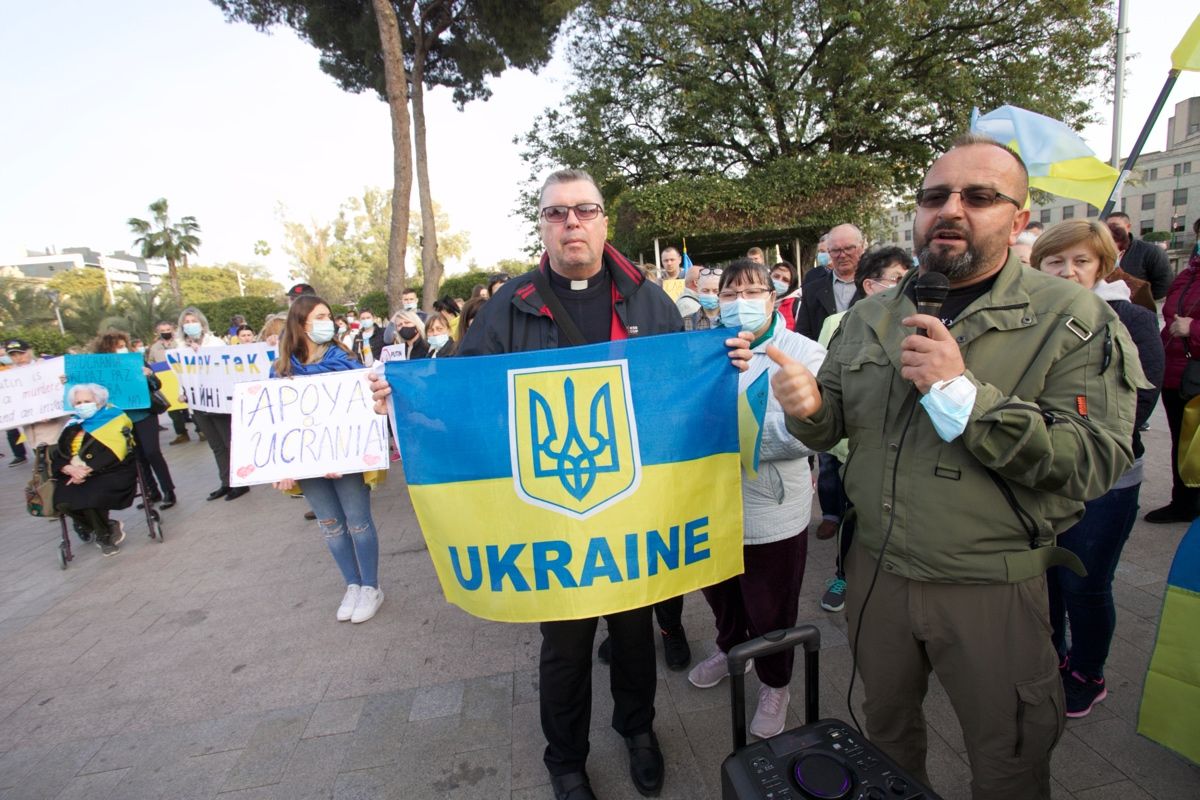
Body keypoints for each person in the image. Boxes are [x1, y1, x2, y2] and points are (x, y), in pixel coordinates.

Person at [770, 134, 1139, 799]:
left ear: (1020, 219)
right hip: (878, 576)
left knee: (1009, 761)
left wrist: (962, 395)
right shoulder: (873, 315)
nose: (952, 210)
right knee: (885, 739)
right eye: (935, 196)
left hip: (989, 587)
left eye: (980, 196)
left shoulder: (1071, 319)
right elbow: (837, 425)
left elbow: (1094, 461)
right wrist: (806, 409)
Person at [369, 168, 752, 800]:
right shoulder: (508, 306)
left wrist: (722, 365)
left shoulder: (650, 301)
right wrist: (402, 398)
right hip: (549, 515)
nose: (571, 222)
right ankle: (565, 760)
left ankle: (639, 732)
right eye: (556, 213)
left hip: (632, 509)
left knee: (634, 637)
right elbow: (463, 394)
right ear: (542, 225)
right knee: (565, 646)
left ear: (604, 221)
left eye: (584, 210)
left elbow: (676, 393)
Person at [687, 258, 825, 739]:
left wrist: (737, 437)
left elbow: (815, 434)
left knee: (771, 603)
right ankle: (731, 650)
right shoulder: (701, 351)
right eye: (729, 294)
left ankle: (775, 683)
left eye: (752, 292)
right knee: (721, 594)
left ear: (774, 297)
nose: (740, 303)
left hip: (772, 507)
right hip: (709, 504)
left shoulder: (803, 353)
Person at [1032, 220, 1163, 717]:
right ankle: (1050, 658)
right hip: (1040, 477)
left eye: (1081, 261)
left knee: (1084, 584)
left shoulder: (1129, 318)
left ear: (1102, 265)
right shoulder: (1029, 316)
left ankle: (1088, 672)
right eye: (1055, 261)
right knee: (1044, 578)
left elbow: (1140, 402)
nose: (1068, 271)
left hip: (1104, 482)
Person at [270, 295, 385, 623]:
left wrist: (341, 453)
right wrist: (282, 466)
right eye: (319, 316)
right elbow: (275, 422)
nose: (327, 322)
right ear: (301, 322)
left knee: (358, 523)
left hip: (343, 461)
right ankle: (352, 584)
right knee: (331, 527)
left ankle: (371, 587)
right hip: (307, 464)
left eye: (328, 316)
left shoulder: (343, 360)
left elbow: (363, 410)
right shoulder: (280, 369)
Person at [814, 246, 911, 614]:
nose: (907, 287)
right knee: (853, 516)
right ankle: (842, 575)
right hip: (851, 448)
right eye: (897, 280)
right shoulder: (839, 322)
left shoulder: (925, 323)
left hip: (903, 450)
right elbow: (827, 386)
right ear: (870, 286)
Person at [1145, 245, 1200, 523]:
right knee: (1183, 442)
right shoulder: (1188, 273)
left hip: (1194, 369)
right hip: (1177, 372)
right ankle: (1185, 502)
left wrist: (1194, 328)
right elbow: (1169, 311)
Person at [92, 330, 177, 510]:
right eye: (118, 347)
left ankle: (168, 490)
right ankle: (152, 491)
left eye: (124, 346)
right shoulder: (101, 370)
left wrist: (149, 375)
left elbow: (156, 385)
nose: (122, 350)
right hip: (121, 419)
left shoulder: (136, 361)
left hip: (144, 414)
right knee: (137, 456)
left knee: (152, 452)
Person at [52, 383, 137, 557]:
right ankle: (108, 526)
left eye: (86, 401)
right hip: (74, 473)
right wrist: (68, 468)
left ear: (98, 402)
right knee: (62, 502)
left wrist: (86, 470)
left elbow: (116, 451)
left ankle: (104, 536)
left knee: (88, 497)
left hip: (109, 471)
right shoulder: (72, 424)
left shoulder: (113, 418)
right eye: (78, 402)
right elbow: (58, 454)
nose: (82, 405)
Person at [177, 307, 249, 502]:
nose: (190, 325)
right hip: (197, 403)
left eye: (194, 321)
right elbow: (181, 375)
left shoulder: (215, 343)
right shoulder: (180, 348)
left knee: (228, 442)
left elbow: (226, 369)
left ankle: (240, 482)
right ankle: (226, 482)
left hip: (217, 402)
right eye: (187, 321)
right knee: (216, 445)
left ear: (202, 323)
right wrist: (181, 393)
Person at [795, 223, 864, 340]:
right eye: (836, 250)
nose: (842, 255)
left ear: (861, 247)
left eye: (848, 248)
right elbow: (803, 336)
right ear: (829, 251)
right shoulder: (812, 290)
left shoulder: (876, 286)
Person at [148, 321, 201, 445]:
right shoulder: (155, 347)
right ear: (158, 332)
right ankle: (181, 433)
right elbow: (151, 362)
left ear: (172, 329)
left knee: (191, 404)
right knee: (173, 410)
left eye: (168, 329)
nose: (166, 332)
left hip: (183, 378)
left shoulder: (181, 343)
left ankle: (201, 430)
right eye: (163, 330)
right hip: (167, 382)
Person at [1105, 212, 1172, 301]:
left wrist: (1142, 300)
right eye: (1107, 227)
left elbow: (1163, 285)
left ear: (1128, 227)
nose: (1111, 230)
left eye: (1115, 226)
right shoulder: (1101, 251)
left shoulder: (1152, 252)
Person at [4, 339, 33, 466]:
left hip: (55, 426)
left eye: (21, 353)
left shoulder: (46, 367)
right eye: (13, 355)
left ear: (29, 351)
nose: (18, 358)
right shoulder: (9, 377)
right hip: (29, 426)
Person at [770, 261, 801, 331]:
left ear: (791, 285)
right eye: (776, 276)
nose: (779, 281)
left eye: (785, 280)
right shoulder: (758, 300)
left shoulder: (796, 305)